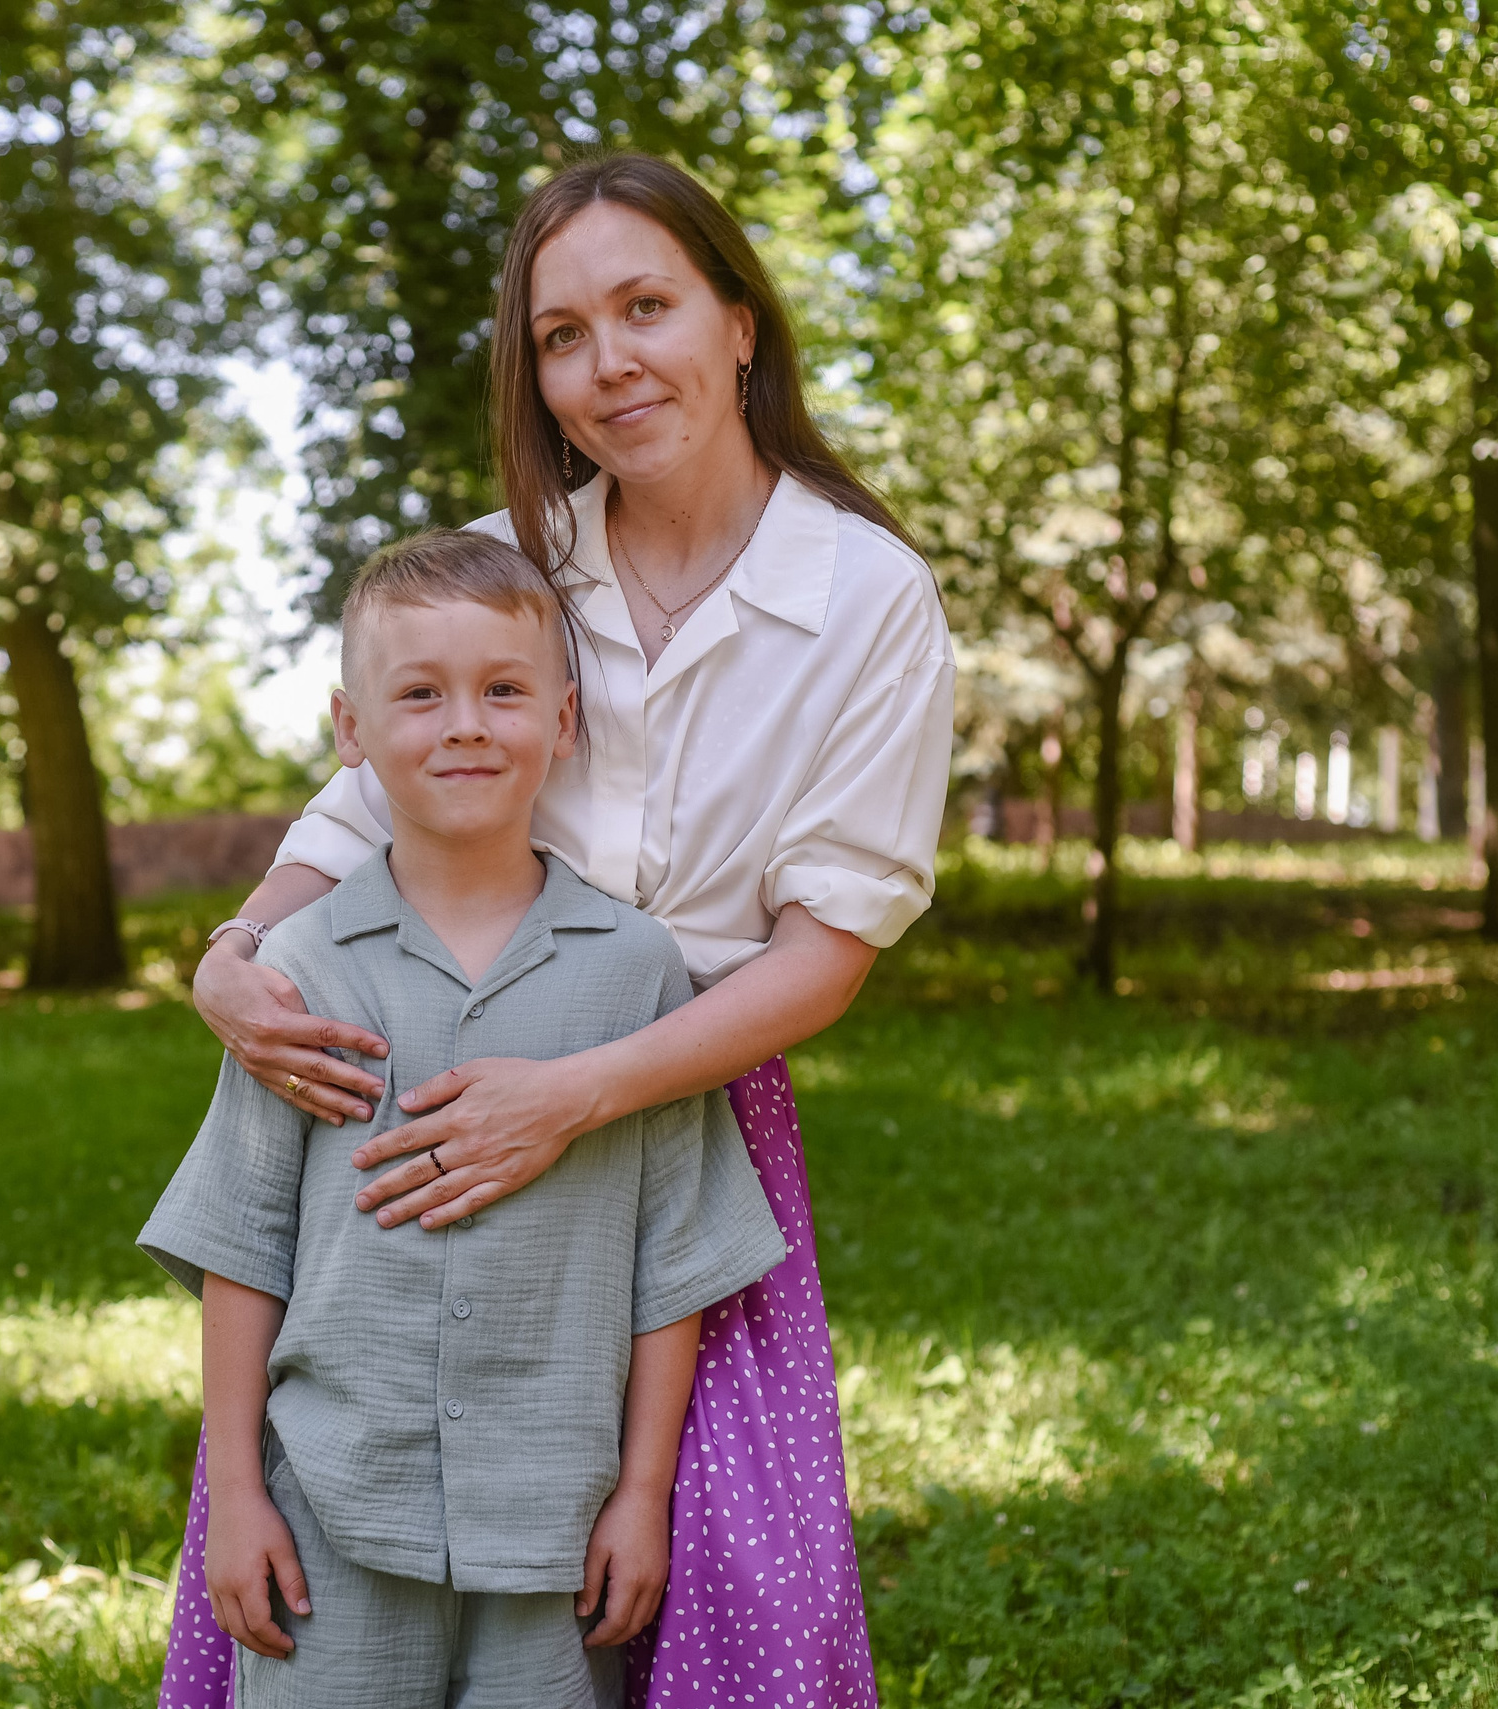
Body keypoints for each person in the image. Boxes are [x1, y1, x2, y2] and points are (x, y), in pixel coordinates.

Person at [167, 153, 955, 1709]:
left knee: (698, 1569)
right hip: (427, 1071)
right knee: (345, 1520)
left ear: (740, 324)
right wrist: (228, 961)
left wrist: (579, 1091)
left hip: (680, 1102)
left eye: (647, 308)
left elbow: (826, 950)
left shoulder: (867, 593)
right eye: (563, 335)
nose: (610, 365)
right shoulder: (508, 560)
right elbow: (349, 820)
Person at [140, 529, 786, 1708]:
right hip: (330, 1518)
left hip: (556, 1528)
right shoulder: (296, 974)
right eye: (421, 693)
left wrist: (642, 1496)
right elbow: (242, 1248)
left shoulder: (638, 975)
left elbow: (673, 1262)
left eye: (503, 689)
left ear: (566, 719)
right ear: (351, 730)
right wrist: (236, 1497)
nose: (467, 724)